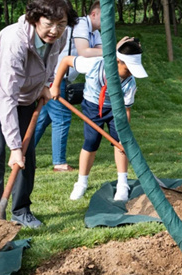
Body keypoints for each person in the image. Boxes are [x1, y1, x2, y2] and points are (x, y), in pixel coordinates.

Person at [0, 0, 78, 228]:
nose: (55, 31)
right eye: (49, 24)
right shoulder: (15, 41)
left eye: (62, 25)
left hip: (26, 91)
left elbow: (51, 61)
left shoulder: (60, 35)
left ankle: (21, 210)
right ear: (35, 19)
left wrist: (45, 85)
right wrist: (14, 147)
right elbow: (6, 95)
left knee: (27, 153)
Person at [51, 36, 148, 202]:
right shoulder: (95, 64)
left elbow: (126, 110)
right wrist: (55, 85)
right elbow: (66, 60)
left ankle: (123, 184)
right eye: (128, 68)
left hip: (116, 109)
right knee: (91, 142)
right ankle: (81, 182)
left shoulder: (130, 83)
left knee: (120, 143)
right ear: (118, 61)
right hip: (92, 106)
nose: (131, 73)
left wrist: (124, 132)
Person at [33, 0, 103, 172]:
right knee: (62, 118)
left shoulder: (95, 32)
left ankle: (24, 151)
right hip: (55, 77)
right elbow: (84, 52)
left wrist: (110, 50)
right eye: (106, 16)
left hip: (62, 78)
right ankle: (59, 163)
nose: (110, 21)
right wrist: (113, 50)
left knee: (43, 118)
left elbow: (101, 52)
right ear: (94, 14)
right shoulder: (80, 25)